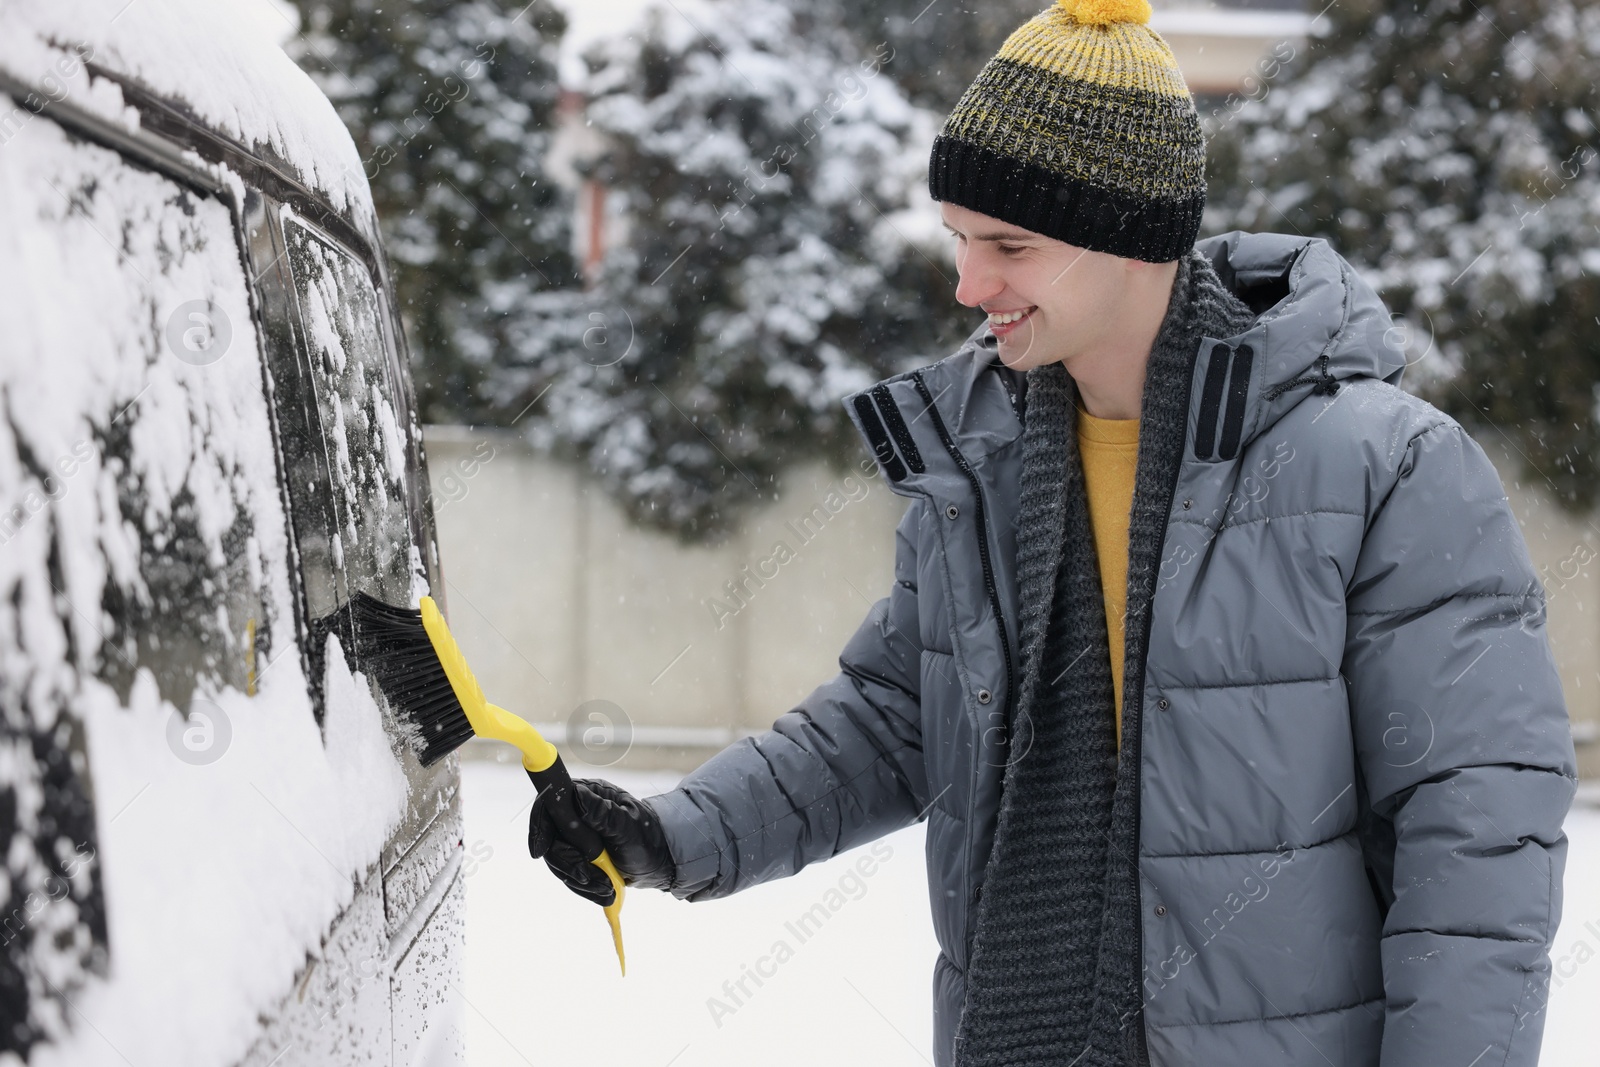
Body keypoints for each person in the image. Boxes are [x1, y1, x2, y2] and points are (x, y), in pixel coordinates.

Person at [526, 1, 1578, 1064]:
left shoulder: (1379, 467)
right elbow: (898, 712)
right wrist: (673, 834)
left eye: (1008, 246)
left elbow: (1477, 834)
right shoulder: (983, 461)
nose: (968, 285)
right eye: (959, 240)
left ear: (1129, 240)